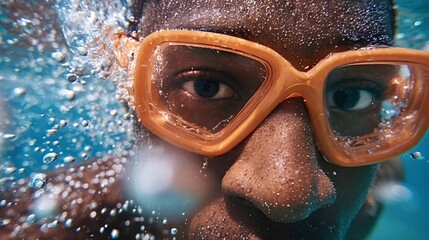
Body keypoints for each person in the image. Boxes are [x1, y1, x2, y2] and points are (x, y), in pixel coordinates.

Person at [0, 0, 427, 239]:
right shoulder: (43, 227)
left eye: (350, 96)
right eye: (207, 87)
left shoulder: (373, 191)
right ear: (130, 90)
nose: (292, 192)